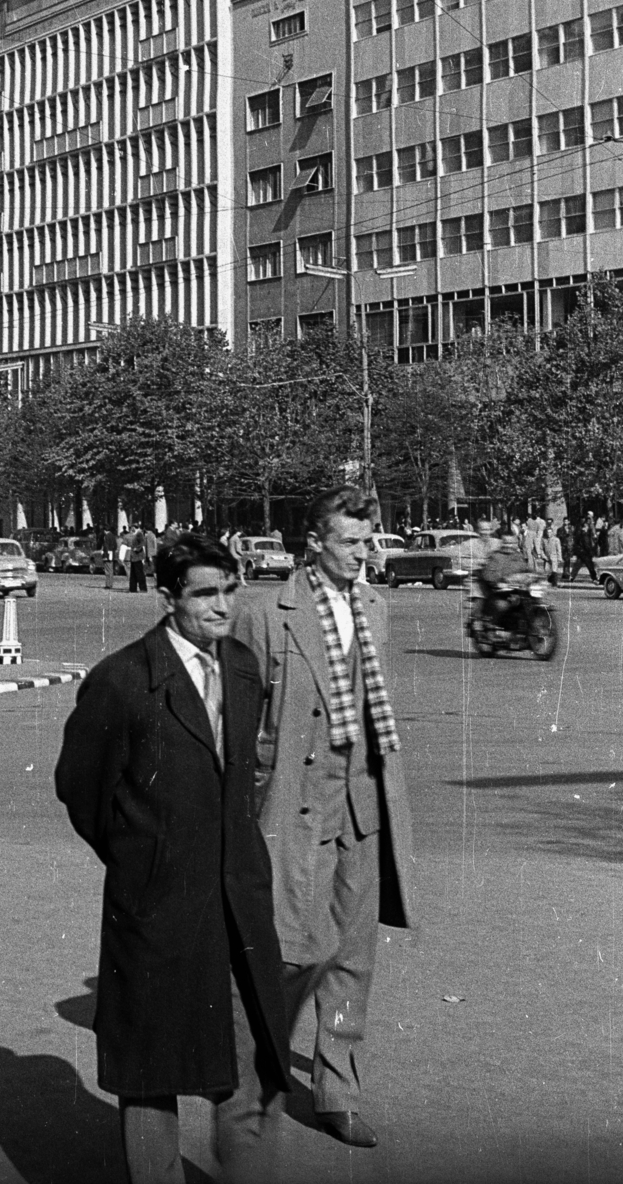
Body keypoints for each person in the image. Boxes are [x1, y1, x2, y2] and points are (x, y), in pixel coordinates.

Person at [55, 536, 291, 1184]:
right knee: (150, 1070)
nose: (222, 606)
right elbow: (83, 789)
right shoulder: (123, 679)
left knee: (250, 1052)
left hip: (237, 900)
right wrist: (146, 856)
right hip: (157, 906)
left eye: (230, 590)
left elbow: (245, 775)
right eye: (204, 594)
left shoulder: (243, 667)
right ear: (167, 598)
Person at [231, 486, 414, 1150]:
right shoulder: (266, 614)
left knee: (352, 957)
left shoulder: (375, 607)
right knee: (287, 951)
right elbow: (240, 722)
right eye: (348, 542)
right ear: (314, 542)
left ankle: (337, 1092)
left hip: (359, 802)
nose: (361, 555)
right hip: (292, 803)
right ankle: (258, 1079)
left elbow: (372, 709)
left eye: (368, 541)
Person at [127, 528, 147, 593]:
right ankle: (132, 588)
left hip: (137, 556)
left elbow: (142, 542)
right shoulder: (135, 534)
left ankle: (143, 588)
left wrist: (137, 549)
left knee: (140, 573)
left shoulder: (139, 534)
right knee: (133, 574)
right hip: (133, 557)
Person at [101, 525, 117, 591]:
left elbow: (106, 546)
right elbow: (115, 546)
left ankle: (108, 584)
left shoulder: (106, 536)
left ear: (105, 530)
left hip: (107, 554)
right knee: (111, 569)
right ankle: (110, 583)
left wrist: (105, 554)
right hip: (112, 553)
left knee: (107, 570)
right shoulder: (113, 536)